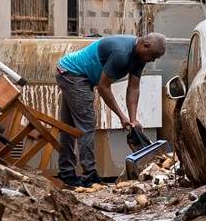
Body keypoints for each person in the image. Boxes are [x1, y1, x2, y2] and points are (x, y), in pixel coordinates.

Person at [54, 32, 167, 187]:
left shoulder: (140, 57)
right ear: (145, 45)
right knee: (86, 126)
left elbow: (133, 88)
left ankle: (66, 173)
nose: (152, 60)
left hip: (72, 72)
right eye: (153, 56)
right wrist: (121, 116)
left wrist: (133, 120)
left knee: (69, 127)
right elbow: (103, 87)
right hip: (74, 75)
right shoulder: (122, 53)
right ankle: (90, 175)